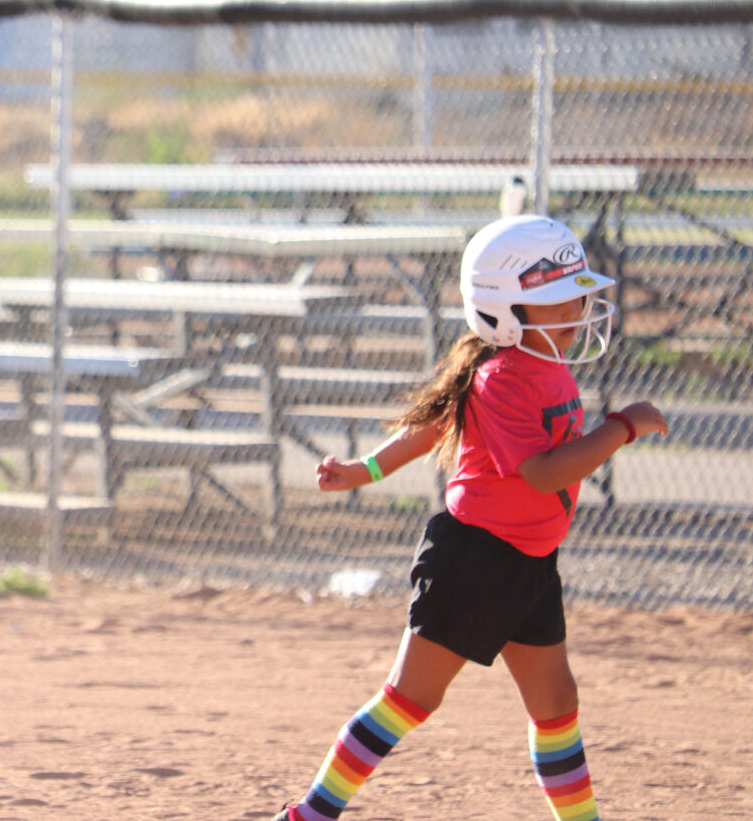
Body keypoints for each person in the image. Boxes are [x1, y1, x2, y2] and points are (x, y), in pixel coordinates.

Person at [272, 214, 668, 821]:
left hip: (530, 562)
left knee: (557, 702)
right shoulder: (505, 375)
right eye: (561, 299)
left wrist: (366, 469)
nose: (579, 308)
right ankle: (309, 815)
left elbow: (434, 423)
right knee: (409, 698)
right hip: (474, 561)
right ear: (508, 310)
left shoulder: (544, 363)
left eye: (577, 295)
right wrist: (621, 427)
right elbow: (542, 473)